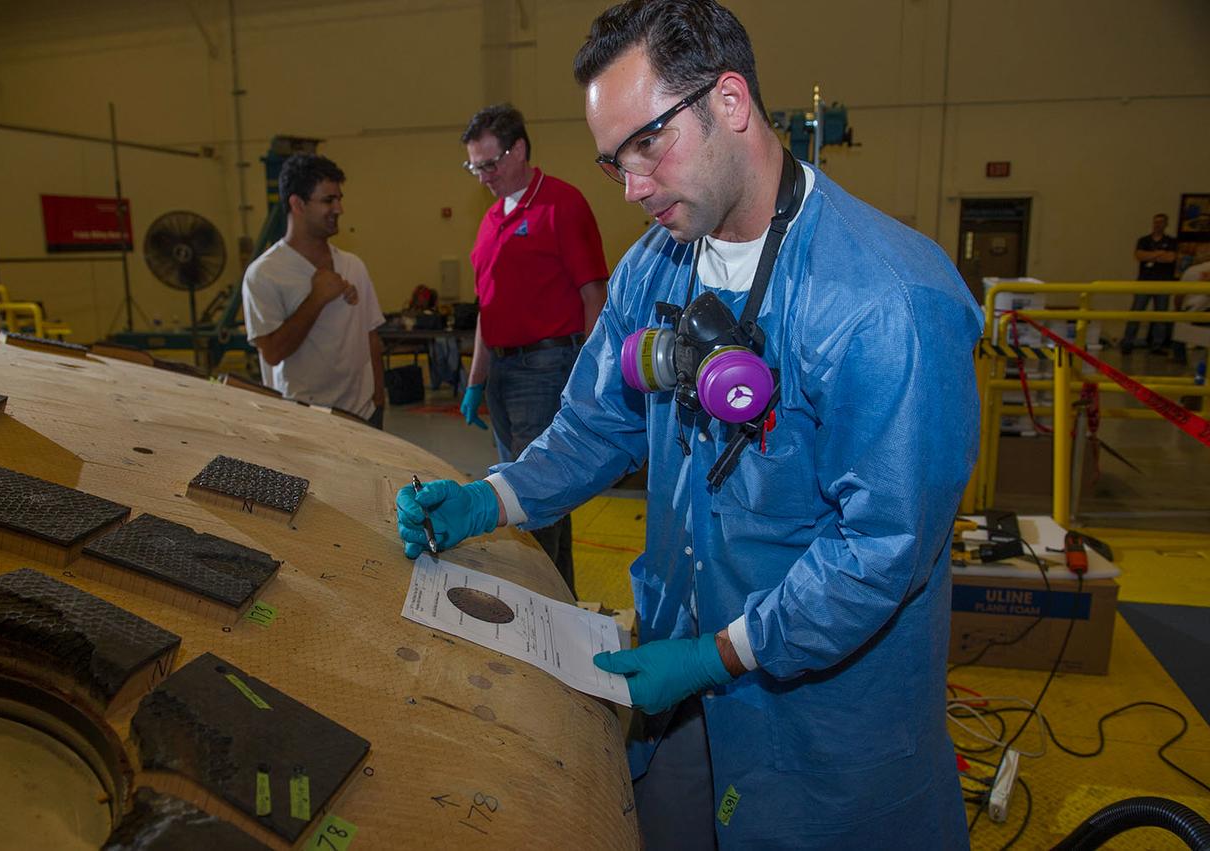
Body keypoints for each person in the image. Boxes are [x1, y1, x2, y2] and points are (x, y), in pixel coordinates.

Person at [398, 1, 979, 846]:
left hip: (823, 735)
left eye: (648, 144)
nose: (632, 187)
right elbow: (596, 425)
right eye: (611, 162)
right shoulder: (653, 268)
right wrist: (490, 499)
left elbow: (878, 549)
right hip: (674, 687)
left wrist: (721, 655)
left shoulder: (886, 305)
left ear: (731, 103)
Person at [457, 103, 610, 593]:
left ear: (518, 149)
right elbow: (487, 310)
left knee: (534, 496)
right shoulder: (489, 220)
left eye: (490, 163)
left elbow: (594, 295)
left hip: (546, 368)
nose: (483, 176)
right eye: (474, 166)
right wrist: (476, 380)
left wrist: (590, 377)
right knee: (534, 496)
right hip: (503, 374)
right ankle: (558, 604)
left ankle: (546, 609)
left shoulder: (561, 205)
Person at [241, 153, 386, 427]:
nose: (339, 208)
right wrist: (316, 298)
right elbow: (272, 353)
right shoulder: (264, 274)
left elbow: (371, 338)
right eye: (328, 200)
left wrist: (378, 400)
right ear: (297, 204)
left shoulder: (353, 265)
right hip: (303, 421)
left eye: (339, 198)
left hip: (364, 415)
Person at [1120, 212, 1178, 355]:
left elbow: (1171, 258)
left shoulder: (1171, 241)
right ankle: (1128, 342)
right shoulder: (1144, 240)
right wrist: (1159, 254)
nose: (1158, 225)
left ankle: (1157, 345)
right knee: (1136, 313)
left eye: (1161, 222)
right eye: (1156, 222)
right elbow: (1139, 255)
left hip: (1163, 283)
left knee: (1161, 315)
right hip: (1144, 281)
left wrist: (1151, 255)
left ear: (1166, 224)